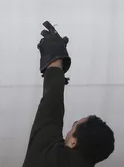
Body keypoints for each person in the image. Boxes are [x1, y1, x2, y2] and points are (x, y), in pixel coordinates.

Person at [21, 21, 115, 167]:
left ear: (73, 142)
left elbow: (51, 109)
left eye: (73, 127)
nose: (68, 132)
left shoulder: (49, 157)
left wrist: (55, 60)